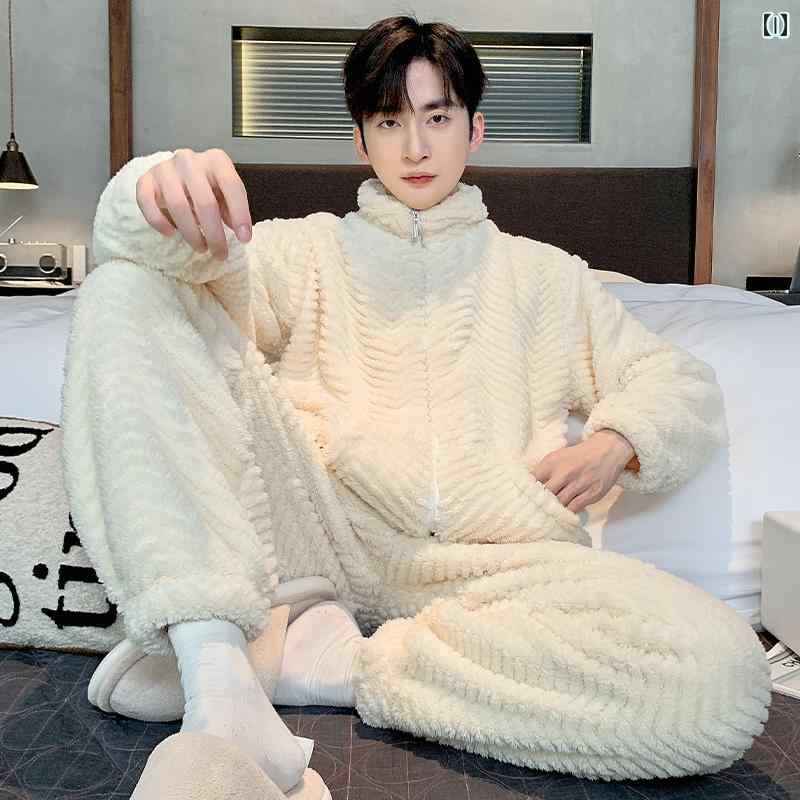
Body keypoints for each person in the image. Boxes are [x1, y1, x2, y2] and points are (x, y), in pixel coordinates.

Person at [61, 14, 771, 798]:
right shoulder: (305, 251)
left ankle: (335, 666)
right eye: (390, 122)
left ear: (474, 128)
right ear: (361, 140)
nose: (416, 148)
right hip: (324, 546)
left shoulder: (546, 278)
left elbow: (677, 379)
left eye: (436, 118)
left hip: (502, 569)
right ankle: (217, 670)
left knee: (722, 682)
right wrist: (148, 193)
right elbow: (179, 278)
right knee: (123, 287)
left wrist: (618, 440)